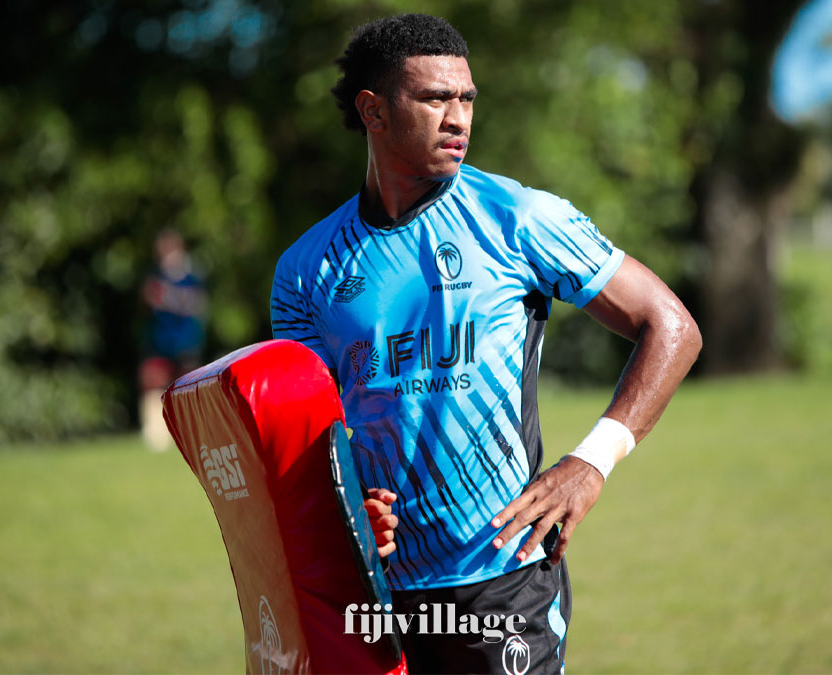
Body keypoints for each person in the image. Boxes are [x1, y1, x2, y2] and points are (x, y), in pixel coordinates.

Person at [270, 14, 701, 673]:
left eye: (466, 98)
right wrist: (349, 504)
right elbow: (311, 436)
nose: (458, 118)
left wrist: (591, 462)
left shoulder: (517, 219)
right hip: (376, 591)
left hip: (504, 577)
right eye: (434, 98)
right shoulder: (307, 269)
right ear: (373, 111)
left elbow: (672, 326)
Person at [140, 228, 209, 451]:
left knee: (189, 385)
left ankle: (194, 431)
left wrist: (172, 298)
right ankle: (156, 434)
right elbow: (151, 299)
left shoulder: (192, 279)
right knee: (153, 381)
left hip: (186, 340)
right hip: (160, 339)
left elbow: (196, 305)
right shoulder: (155, 278)